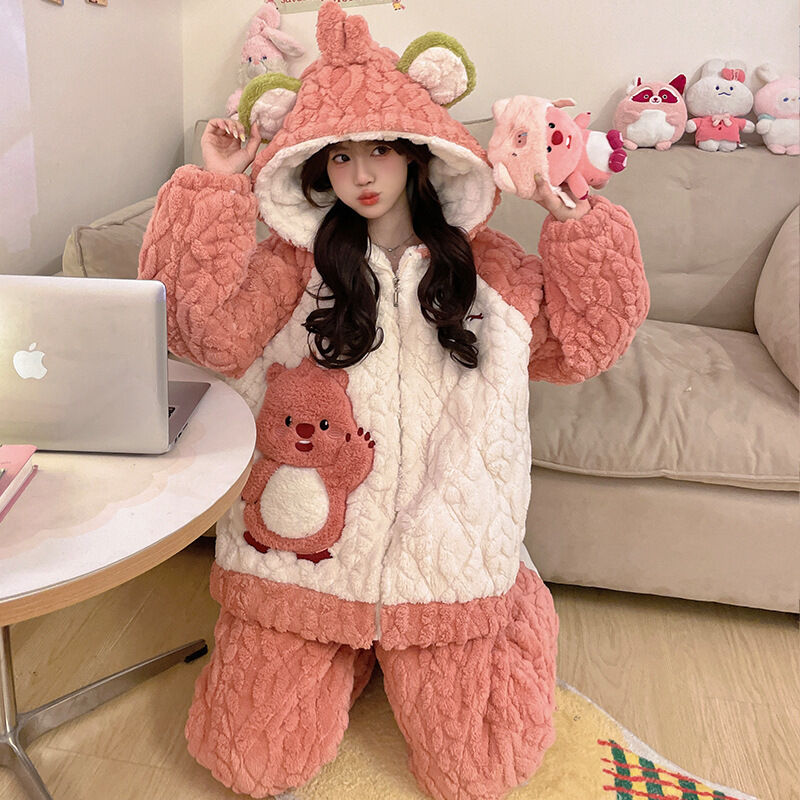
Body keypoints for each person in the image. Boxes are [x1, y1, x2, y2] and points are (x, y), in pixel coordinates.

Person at [138, 4, 649, 799]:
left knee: (479, 773)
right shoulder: (291, 267)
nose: (362, 175)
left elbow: (585, 344)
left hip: (446, 570)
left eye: (379, 150)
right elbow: (198, 332)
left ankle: (502, 612)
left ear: (416, 154)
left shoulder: (488, 268)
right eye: (341, 156)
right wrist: (217, 182)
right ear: (317, 167)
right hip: (302, 569)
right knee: (249, 763)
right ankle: (350, 648)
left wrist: (572, 217)